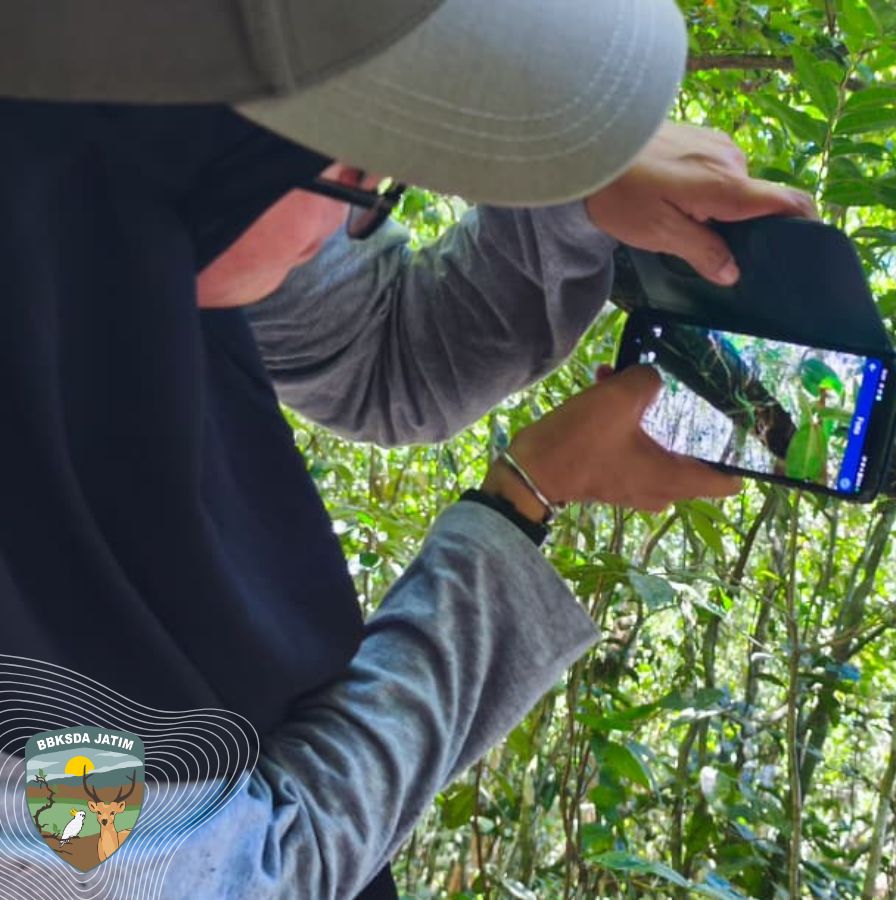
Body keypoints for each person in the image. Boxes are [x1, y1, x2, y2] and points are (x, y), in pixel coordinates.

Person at [0, 0, 807, 896]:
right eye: (357, 174)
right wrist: (524, 498)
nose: (358, 213)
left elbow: (384, 351)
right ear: (190, 143)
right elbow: (254, 869)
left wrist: (570, 186)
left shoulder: (102, 207)